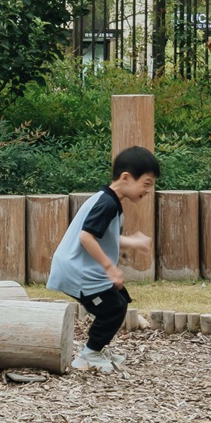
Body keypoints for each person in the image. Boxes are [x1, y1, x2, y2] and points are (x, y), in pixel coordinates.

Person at [48, 145, 160, 373]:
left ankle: (97, 348)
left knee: (119, 299)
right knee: (112, 309)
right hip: (77, 271)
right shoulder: (107, 203)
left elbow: (103, 237)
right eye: (146, 183)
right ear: (126, 178)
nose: (149, 190)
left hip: (81, 268)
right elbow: (86, 237)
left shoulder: (108, 200)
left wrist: (132, 242)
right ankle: (88, 355)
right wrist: (110, 267)